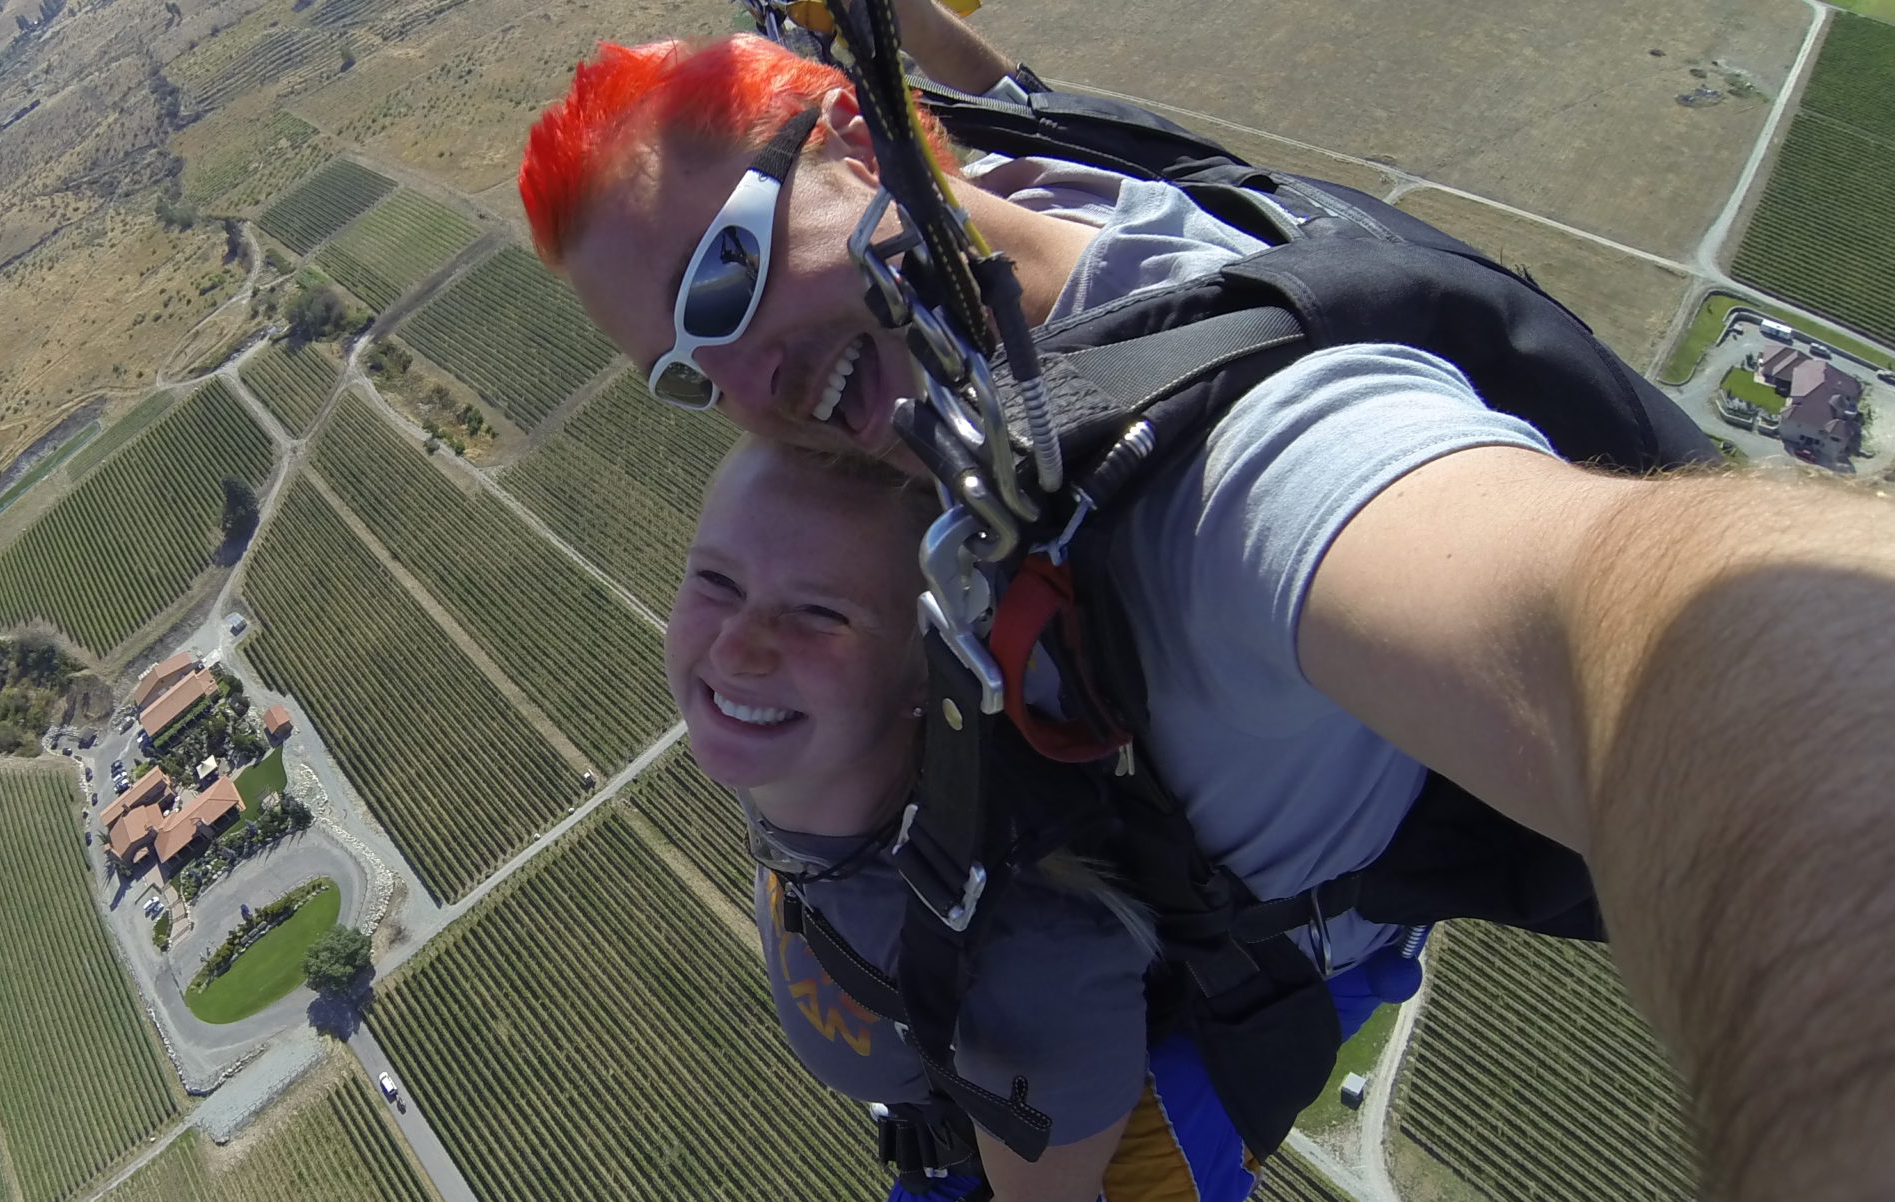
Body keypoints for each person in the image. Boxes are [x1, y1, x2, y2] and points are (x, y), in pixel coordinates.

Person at [518, 17, 1895, 1202]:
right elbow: (963, 108)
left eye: (727, 280)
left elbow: (1641, 642)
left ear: (860, 145)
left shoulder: (1240, 490)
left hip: (1165, 1051)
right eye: (684, 374)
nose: (750, 388)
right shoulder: (1029, 189)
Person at [675, 435, 1420, 1199]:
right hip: (966, 1128)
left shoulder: (1023, 961)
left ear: (927, 674)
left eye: (819, 614)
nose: (736, 649)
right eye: (716, 581)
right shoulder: (808, 748)